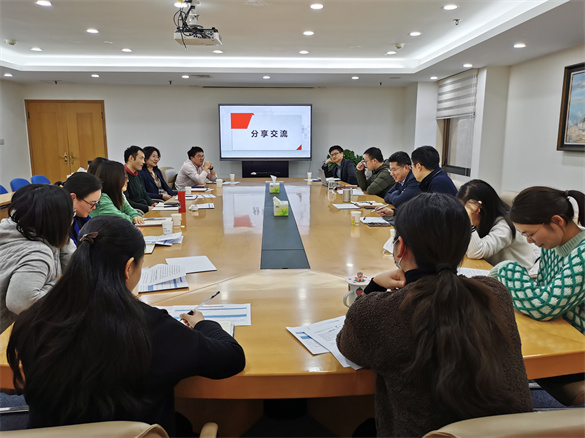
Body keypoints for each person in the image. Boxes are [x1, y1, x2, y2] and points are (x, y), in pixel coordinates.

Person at [7, 216, 246, 435]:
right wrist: (204, 325)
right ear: (129, 267)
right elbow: (231, 358)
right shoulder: (151, 327)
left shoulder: (34, 319)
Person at [337, 193, 532, 437]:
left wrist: (373, 286)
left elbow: (347, 345)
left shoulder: (378, 312)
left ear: (401, 247)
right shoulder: (496, 294)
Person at [489, 187, 585, 334]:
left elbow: (544, 306)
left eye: (531, 234)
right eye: (524, 235)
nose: (529, 241)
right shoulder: (551, 245)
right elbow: (541, 288)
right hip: (558, 330)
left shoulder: (582, 254)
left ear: (557, 221)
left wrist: (507, 268)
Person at [0, 184, 76, 333]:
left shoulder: (17, 227)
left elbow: (73, 267)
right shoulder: (36, 253)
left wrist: (63, 236)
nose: (72, 219)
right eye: (70, 214)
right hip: (8, 329)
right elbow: (21, 303)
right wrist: (59, 282)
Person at [457, 180, 536, 269]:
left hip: (519, 274)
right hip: (494, 269)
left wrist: (469, 221)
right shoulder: (483, 220)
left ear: (478, 209)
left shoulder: (505, 226)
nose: (463, 215)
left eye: (466, 211)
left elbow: (476, 252)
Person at [56, 172, 103, 246]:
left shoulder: (80, 216)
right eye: (92, 203)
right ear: (72, 198)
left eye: (96, 203)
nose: (94, 207)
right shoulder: (59, 222)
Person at [376, 151, 421, 217]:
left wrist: (395, 193)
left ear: (406, 168)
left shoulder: (414, 180)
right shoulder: (400, 180)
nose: (391, 174)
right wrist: (398, 193)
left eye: (394, 170)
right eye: (390, 170)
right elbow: (386, 196)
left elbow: (398, 202)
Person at [124, 146, 156, 213]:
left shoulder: (137, 174)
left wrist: (152, 203)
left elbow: (144, 194)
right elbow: (126, 202)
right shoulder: (122, 176)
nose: (143, 162)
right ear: (131, 158)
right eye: (141, 158)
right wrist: (147, 208)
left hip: (145, 208)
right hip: (137, 212)